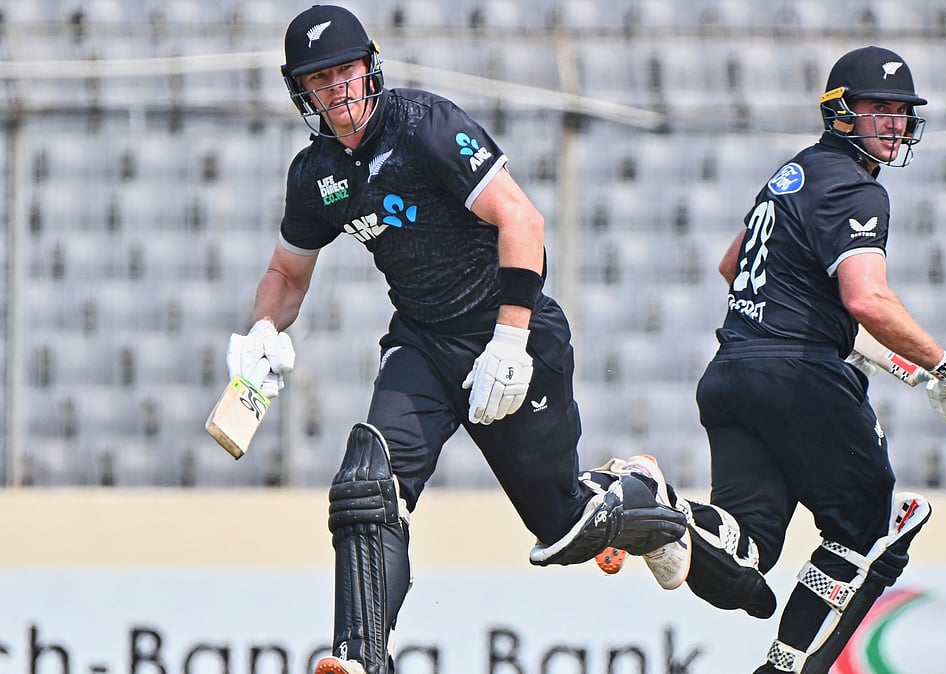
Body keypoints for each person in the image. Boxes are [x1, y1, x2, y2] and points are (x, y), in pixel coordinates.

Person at [223, 7, 687, 674]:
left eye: (345, 71)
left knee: (563, 530)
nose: (336, 89)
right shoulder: (315, 174)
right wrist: (262, 331)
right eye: (318, 79)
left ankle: (643, 494)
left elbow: (522, 221)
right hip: (421, 341)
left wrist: (510, 339)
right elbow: (285, 274)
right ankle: (360, 658)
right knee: (367, 485)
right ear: (301, 91)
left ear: (370, 68)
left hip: (510, 331)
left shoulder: (425, 126)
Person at [599, 46, 946, 673]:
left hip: (732, 372)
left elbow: (732, 265)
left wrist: (843, 336)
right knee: (868, 528)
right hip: (795, 376)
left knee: (745, 563)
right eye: (878, 107)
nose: (894, 122)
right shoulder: (858, 189)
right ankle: (787, 668)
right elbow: (867, 298)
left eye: (901, 110)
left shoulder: (795, 172)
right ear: (840, 111)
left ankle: (661, 506)